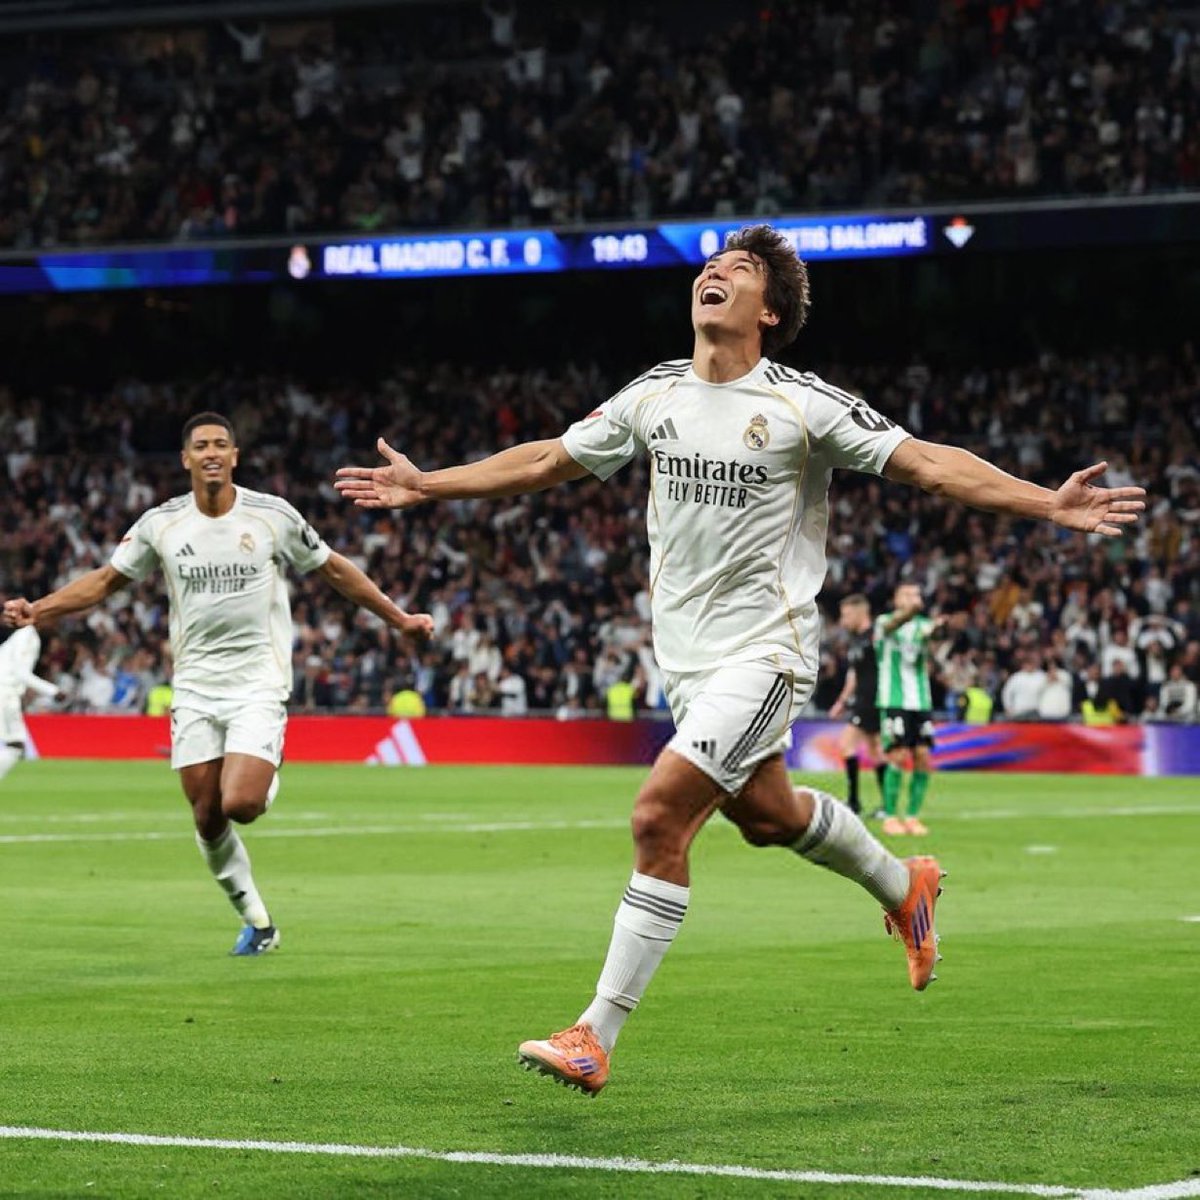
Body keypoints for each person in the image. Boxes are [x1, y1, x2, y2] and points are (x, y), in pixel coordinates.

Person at [334, 223, 1145, 1095]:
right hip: (685, 663)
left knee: (658, 817)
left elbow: (928, 465)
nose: (716, 270)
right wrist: (429, 483)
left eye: (743, 268)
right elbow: (547, 459)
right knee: (767, 816)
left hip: (767, 654)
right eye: (713, 262)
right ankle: (902, 883)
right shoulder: (654, 395)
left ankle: (595, 1033)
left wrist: (1043, 505)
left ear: (771, 310)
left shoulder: (803, 403)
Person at [4, 412, 433, 956]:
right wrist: (38, 609)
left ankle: (266, 763)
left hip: (258, 680)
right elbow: (106, 581)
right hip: (195, 688)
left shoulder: (271, 515)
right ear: (185, 458)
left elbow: (334, 568)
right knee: (206, 816)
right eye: (201, 445)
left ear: (235, 456)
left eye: (221, 444)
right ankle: (258, 922)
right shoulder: (162, 523)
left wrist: (400, 619)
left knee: (242, 803)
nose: (211, 452)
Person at [875, 583, 948, 837]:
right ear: (896, 599)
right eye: (907, 594)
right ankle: (891, 816)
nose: (913, 598)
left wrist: (941, 628)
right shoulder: (883, 622)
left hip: (921, 701)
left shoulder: (922, 625)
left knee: (923, 757)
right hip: (894, 699)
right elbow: (891, 626)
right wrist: (909, 613)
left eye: (916, 594)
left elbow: (936, 637)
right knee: (897, 755)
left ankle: (913, 816)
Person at [827, 594, 885, 815]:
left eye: (847, 615)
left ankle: (854, 802)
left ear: (862, 613)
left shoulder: (876, 636)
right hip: (862, 699)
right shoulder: (856, 640)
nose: (843, 620)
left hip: (873, 699)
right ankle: (885, 805)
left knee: (848, 745)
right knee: (875, 750)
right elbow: (854, 675)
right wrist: (841, 702)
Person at [0, 626, 62, 783]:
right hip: (5, 693)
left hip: (6, 691)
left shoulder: (17, 637)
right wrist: (53, 691)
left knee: (15, 745)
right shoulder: (28, 636)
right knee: (15, 745)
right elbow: (22, 673)